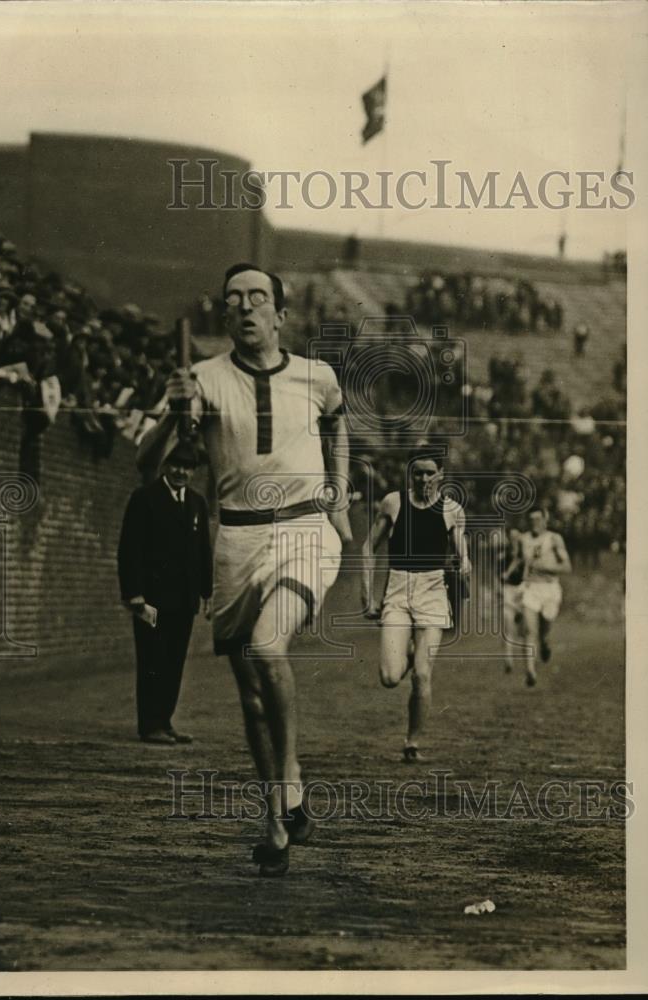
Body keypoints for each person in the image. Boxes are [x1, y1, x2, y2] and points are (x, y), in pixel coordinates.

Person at [136, 263, 352, 877]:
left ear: (281, 315)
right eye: (235, 299)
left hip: (305, 529)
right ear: (225, 316)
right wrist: (177, 418)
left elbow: (339, 425)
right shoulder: (199, 380)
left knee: (266, 646)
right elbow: (144, 465)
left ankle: (287, 785)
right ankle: (277, 814)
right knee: (252, 699)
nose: (247, 307)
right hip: (235, 540)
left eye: (259, 297)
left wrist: (338, 498)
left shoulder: (318, 377)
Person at [360, 447, 470, 763]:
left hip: (433, 591)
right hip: (398, 588)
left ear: (440, 475)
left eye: (429, 472)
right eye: (417, 472)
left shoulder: (452, 510)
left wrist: (465, 569)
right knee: (390, 677)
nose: (423, 478)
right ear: (411, 475)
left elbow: (463, 556)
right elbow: (369, 547)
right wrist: (368, 596)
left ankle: (412, 743)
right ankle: (408, 653)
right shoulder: (394, 503)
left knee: (422, 675)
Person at [117, 440, 213, 745]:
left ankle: (166, 721)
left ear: (194, 471)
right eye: (175, 465)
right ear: (164, 465)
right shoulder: (144, 498)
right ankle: (150, 725)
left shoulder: (197, 503)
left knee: (174, 661)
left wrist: (207, 592)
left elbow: (203, 551)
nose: (181, 471)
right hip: (153, 600)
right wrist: (135, 595)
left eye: (188, 466)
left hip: (184, 600)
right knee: (152, 659)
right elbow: (130, 549)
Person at [513, 507, 571, 687]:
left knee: (544, 629)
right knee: (529, 630)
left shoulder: (554, 539)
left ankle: (545, 644)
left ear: (546, 520)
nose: (535, 524)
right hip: (531, 588)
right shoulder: (524, 539)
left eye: (538, 520)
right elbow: (518, 561)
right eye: (531, 520)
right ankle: (530, 670)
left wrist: (545, 567)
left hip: (550, 588)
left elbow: (567, 567)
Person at [500, 527, 525, 675]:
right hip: (508, 590)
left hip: (523, 591)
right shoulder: (503, 556)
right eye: (511, 537)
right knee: (508, 625)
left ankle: (526, 659)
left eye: (517, 536)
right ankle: (508, 659)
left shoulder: (526, 556)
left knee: (523, 629)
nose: (514, 539)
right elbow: (498, 577)